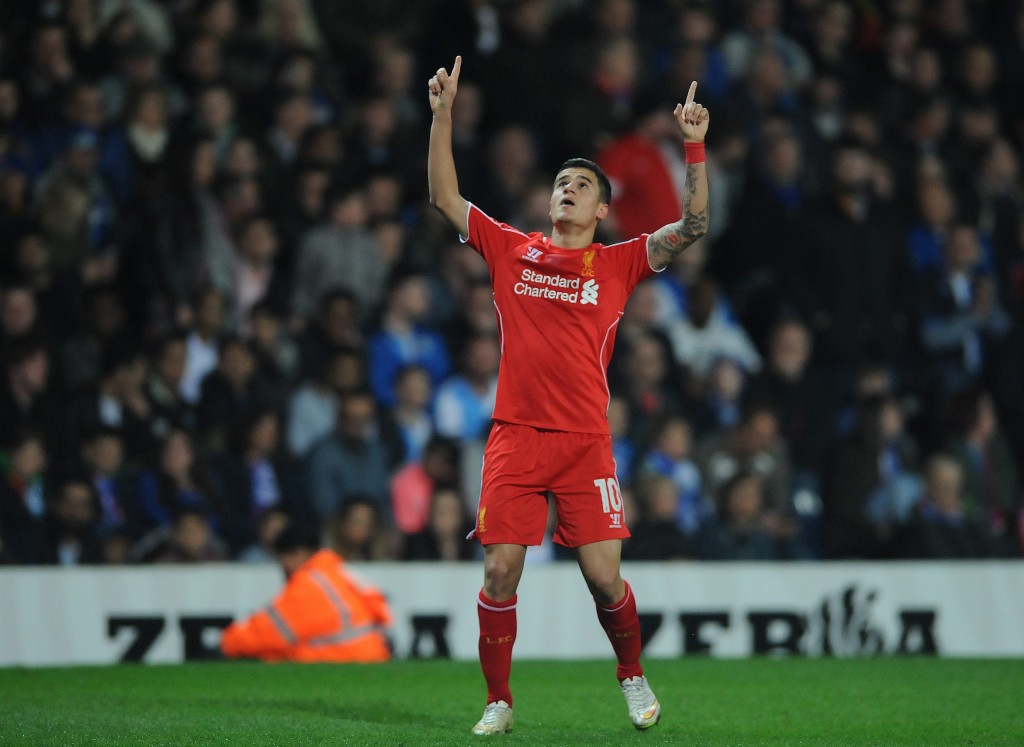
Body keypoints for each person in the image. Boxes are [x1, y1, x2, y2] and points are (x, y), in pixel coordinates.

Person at [427, 55, 709, 734]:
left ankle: (632, 674)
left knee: (604, 579)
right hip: (516, 435)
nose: (567, 190)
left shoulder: (618, 261)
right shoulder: (511, 250)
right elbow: (444, 197)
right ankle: (498, 699)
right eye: (560, 182)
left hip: (585, 442)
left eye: (581, 184)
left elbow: (694, 225)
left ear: (602, 207)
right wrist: (441, 117)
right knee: (499, 573)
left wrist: (693, 144)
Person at [220, 522, 393, 662]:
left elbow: (266, 634)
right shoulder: (335, 572)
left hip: (349, 662)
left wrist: (228, 641)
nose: (283, 568)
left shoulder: (309, 585)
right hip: (372, 657)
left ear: (298, 554)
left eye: (283, 558)